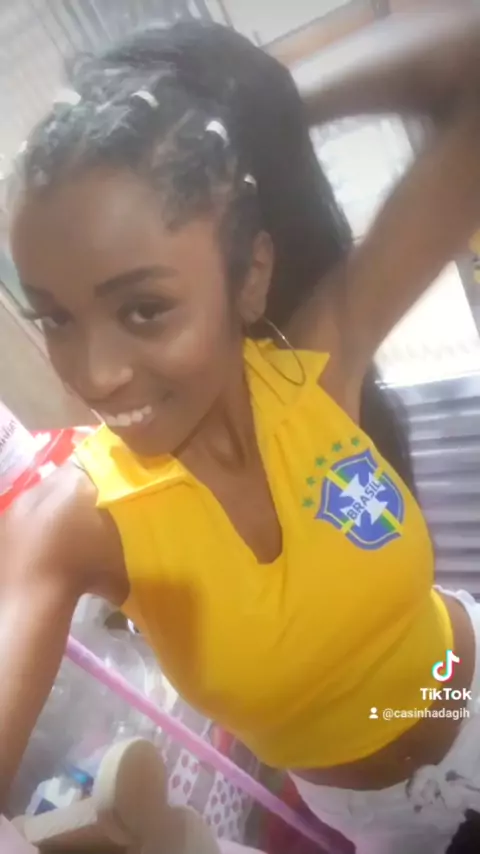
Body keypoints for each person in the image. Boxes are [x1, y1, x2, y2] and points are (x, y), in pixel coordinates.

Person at [3, 10, 480, 853]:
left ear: (250, 273)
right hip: (388, 823)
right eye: (56, 318)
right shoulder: (77, 524)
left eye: (144, 308)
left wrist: (241, 117)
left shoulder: (318, 367)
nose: (94, 375)